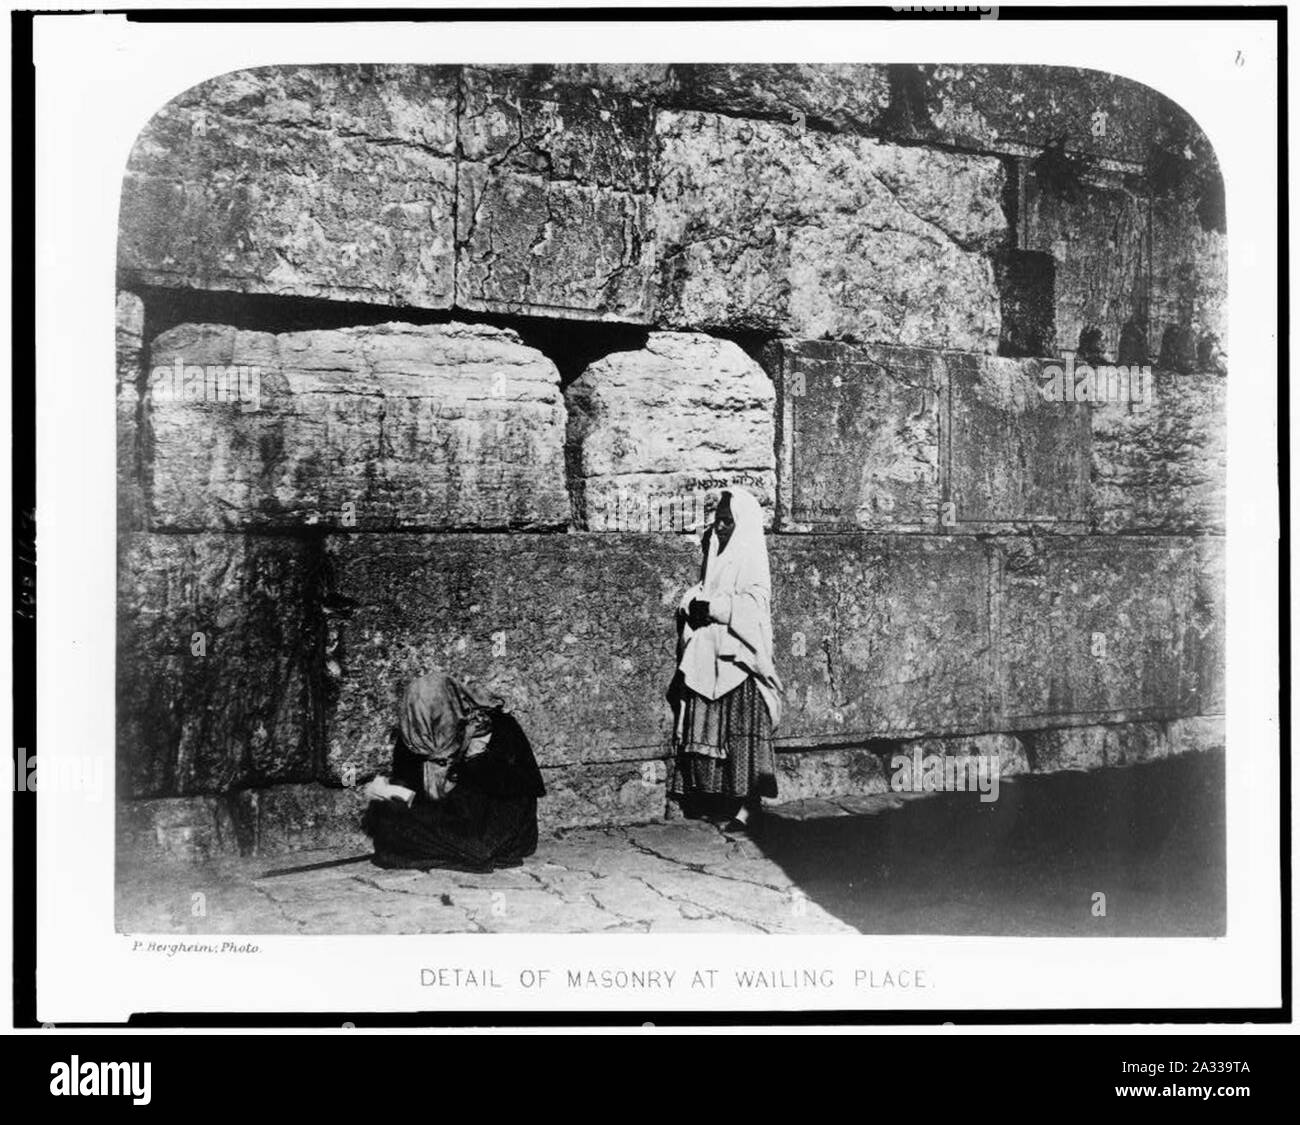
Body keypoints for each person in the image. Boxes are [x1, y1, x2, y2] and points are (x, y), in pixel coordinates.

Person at [669, 487, 784, 832]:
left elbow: (755, 606)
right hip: (711, 653)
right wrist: (694, 604)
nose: (718, 528)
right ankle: (718, 800)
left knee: (741, 735)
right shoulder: (717, 553)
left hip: (738, 658)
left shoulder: (751, 558)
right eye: (717, 521)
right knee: (713, 730)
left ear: (743, 525)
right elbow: (704, 589)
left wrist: (718, 609)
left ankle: (747, 807)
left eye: (727, 522)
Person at [361, 671, 545, 871]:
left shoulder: (496, 726)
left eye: (436, 718)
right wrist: (393, 792)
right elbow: (415, 791)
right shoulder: (415, 737)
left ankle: (472, 851)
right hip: (450, 818)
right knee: (383, 814)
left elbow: (525, 786)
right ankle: (464, 851)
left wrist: (477, 759)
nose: (430, 728)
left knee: (399, 847)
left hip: (493, 819)